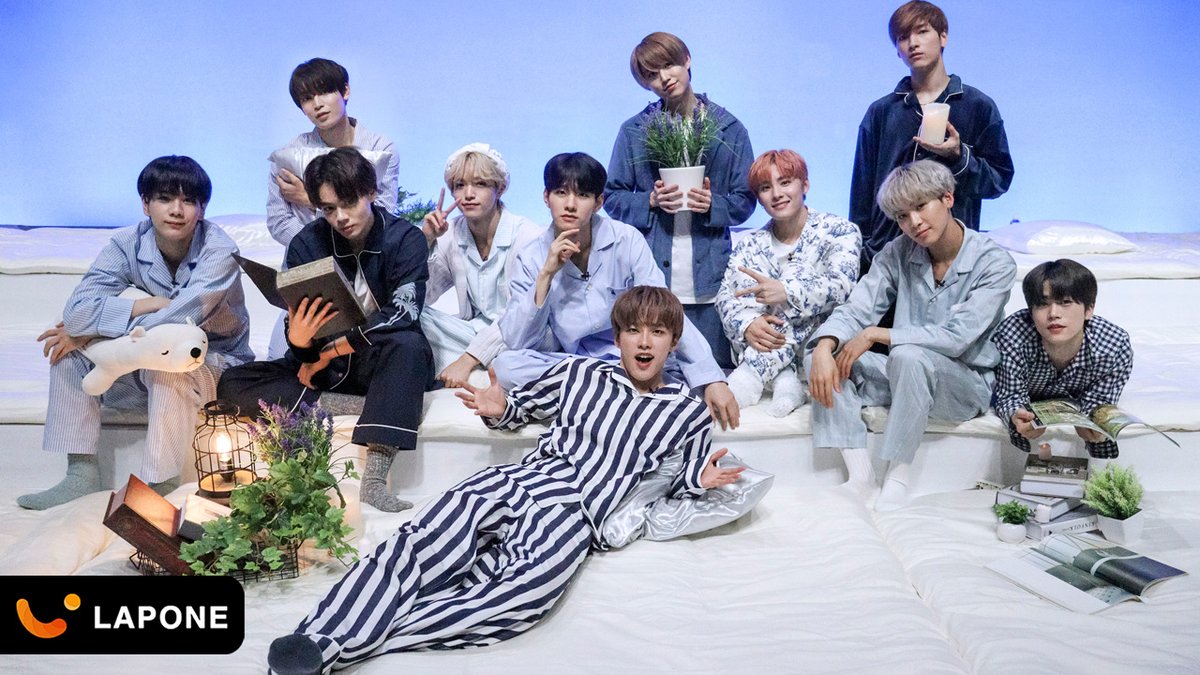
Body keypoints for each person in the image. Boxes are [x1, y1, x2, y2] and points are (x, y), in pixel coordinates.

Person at [265, 286, 745, 673]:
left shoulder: (687, 413)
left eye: (657, 332)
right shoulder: (580, 373)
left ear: (673, 342)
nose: (644, 342)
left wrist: (698, 479)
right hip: (521, 481)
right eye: (633, 330)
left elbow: (676, 480)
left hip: (576, 517)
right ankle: (318, 637)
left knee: (518, 599)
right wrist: (500, 409)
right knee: (422, 542)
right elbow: (520, 409)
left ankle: (347, 646)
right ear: (617, 337)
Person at [18, 156, 252, 510]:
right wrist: (142, 305)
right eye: (164, 199)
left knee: (168, 363)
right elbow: (76, 313)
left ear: (202, 209)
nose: (176, 210)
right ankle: (80, 474)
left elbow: (177, 321)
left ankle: (161, 484)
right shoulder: (126, 243)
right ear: (145, 204)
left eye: (188, 200)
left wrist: (93, 332)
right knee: (68, 351)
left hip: (215, 365)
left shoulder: (220, 250)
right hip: (145, 357)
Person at [217, 148, 431, 513]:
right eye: (329, 209)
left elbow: (404, 313)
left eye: (349, 203)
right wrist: (300, 344)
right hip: (326, 369)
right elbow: (298, 320)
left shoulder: (405, 238)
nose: (341, 218)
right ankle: (367, 405)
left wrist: (332, 350)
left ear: (371, 193)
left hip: (381, 361)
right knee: (232, 383)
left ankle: (373, 482)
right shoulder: (307, 242)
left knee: (409, 345)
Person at [806, 160, 1015, 511]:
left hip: (963, 386)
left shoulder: (994, 262)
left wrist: (878, 334)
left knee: (907, 354)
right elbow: (858, 308)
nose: (914, 222)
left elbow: (957, 338)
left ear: (947, 198)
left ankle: (897, 477)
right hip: (904, 376)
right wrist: (826, 346)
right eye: (902, 216)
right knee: (818, 355)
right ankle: (860, 476)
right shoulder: (897, 251)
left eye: (921, 206)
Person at [494, 152, 739, 430]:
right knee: (506, 366)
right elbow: (517, 340)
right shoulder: (531, 255)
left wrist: (712, 378)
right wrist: (546, 274)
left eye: (583, 195)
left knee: (681, 376)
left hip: (628, 359)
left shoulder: (626, 240)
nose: (570, 204)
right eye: (561, 193)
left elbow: (665, 308)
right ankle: (627, 392)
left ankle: (602, 394)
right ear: (546, 197)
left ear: (598, 202)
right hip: (575, 363)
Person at [603, 31, 756, 368]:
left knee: (714, 372)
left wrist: (713, 204)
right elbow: (612, 197)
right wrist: (650, 200)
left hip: (711, 277)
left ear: (687, 60)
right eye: (651, 75)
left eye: (669, 65)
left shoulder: (730, 129)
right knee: (656, 376)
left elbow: (746, 200)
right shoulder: (634, 130)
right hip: (653, 273)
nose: (664, 78)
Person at [850, 0, 1013, 271]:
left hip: (950, 259)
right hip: (886, 255)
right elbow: (861, 192)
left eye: (922, 32)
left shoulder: (977, 106)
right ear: (897, 50)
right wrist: (864, 251)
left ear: (943, 37)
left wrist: (959, 157)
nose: (913, 43)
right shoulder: (881, 112)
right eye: (903, 37)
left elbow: (999, 181)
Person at [716, 150, 861, 417]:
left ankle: (750, 377)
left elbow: (843, 288)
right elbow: (727, 296)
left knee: (798, 273)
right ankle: (785, 380)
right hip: (760, 343)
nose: (776, 194)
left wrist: (787, 292)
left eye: (785, 183)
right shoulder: (750, 244)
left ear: (804, 185)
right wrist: (748, 324)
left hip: (818, 344)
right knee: (749, 301)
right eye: (765, 188)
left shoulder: (840, 231)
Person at [418, 143, 543, 388]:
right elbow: (424, 295)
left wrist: (467, 360)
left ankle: (473, 367)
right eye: (459, 185)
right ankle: (477, 368)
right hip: (472, 333)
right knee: (410, 316)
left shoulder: (528, 236)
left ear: (500, 188)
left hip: (519, 338)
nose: (468, 194)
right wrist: (427, 241)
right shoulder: (450, 232)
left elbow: (520, 318)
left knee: (515, 354)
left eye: (480, 184)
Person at [992, 259, 1133, 460]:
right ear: (1031, 312)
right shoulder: (1012, 335)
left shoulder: (1113, 346)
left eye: (1065, 302)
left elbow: (1098, 402)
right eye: (1042, 304)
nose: (1053, 314)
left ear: (1089, 309)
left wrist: (1093, 424)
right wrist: (1017, 416)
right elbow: (1010, 395)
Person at [267, 57, 399, 247]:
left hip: (366, 258)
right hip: (306, 262)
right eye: (307, 98)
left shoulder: (381, 149)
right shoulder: (286, 157)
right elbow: (278, 222)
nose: (317, 104)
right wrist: (316, 251)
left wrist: (312, 201)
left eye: (324, 92)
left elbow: (382, 214)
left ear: (345, 91)